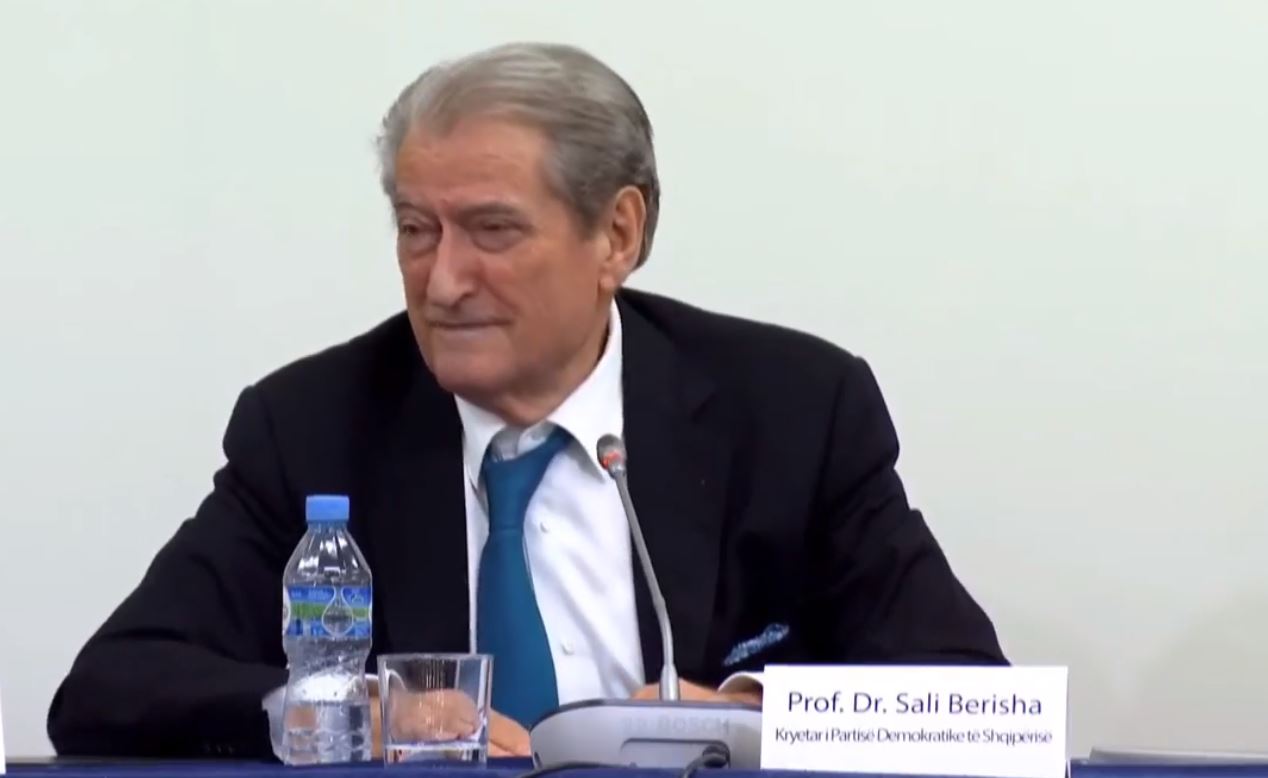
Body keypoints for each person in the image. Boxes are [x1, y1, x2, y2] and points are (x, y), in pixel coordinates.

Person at [47, 41, 1005, 760]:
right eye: (416, 229)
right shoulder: (313, 426)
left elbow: (972, 701)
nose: (442, 280)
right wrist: (355, 711)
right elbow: (109, 689)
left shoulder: (793, 410)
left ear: (617, 235)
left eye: (493, 231)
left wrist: (757, 720)